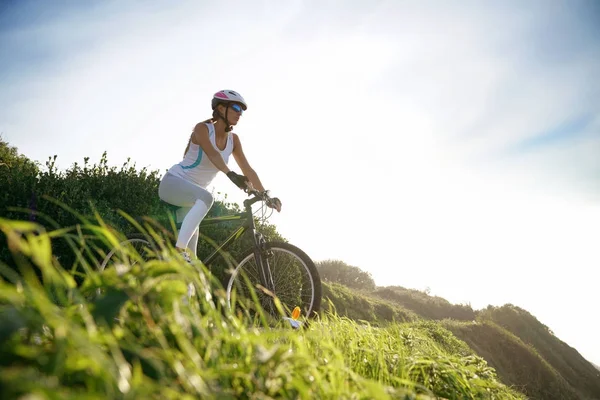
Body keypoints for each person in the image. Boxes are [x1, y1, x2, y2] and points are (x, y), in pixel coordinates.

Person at [158, 89, 281, 261]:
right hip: (173, 184)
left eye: (242, 111)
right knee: (207, 199)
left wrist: (266, 196)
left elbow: (248, 170)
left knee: (192, 267)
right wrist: (231, 175)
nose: (240, 114)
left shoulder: (234, 140)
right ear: (222, 109)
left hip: (193, 199)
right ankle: (178, 251)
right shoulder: (202, 129)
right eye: (237, 108)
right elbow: (213, 154)